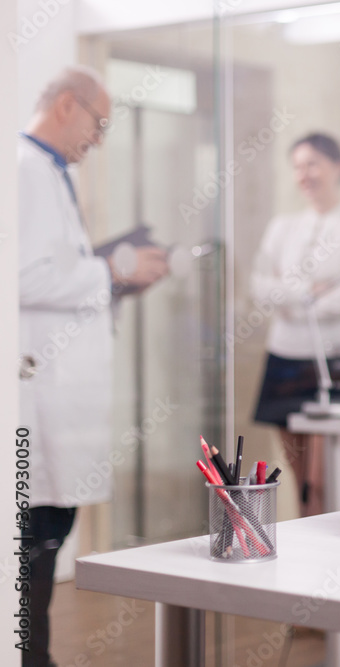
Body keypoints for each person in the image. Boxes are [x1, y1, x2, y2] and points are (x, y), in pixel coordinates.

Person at [19, 66, 169, 667]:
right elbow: (24, 277)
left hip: (54, 389)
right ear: (64, 104)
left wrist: (111, 276)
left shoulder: (48, 173)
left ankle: (35, 656)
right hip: (35, 390)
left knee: (46, 537)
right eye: (97, 122)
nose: (99, 138)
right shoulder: (25, 170)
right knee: (35, 543)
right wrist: (111, 270)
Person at [251, 132, 340, 517]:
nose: (304, 174)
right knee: (299, 479)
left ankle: (325, 565)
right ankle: (303, 556)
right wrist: (308, 291)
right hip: (284, 356)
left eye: (313, 164)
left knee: (322, 478)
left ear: (337, 167)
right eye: (298, 166)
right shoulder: (282, 226)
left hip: (330, 361)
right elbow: (258, 286)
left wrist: (288, 294)